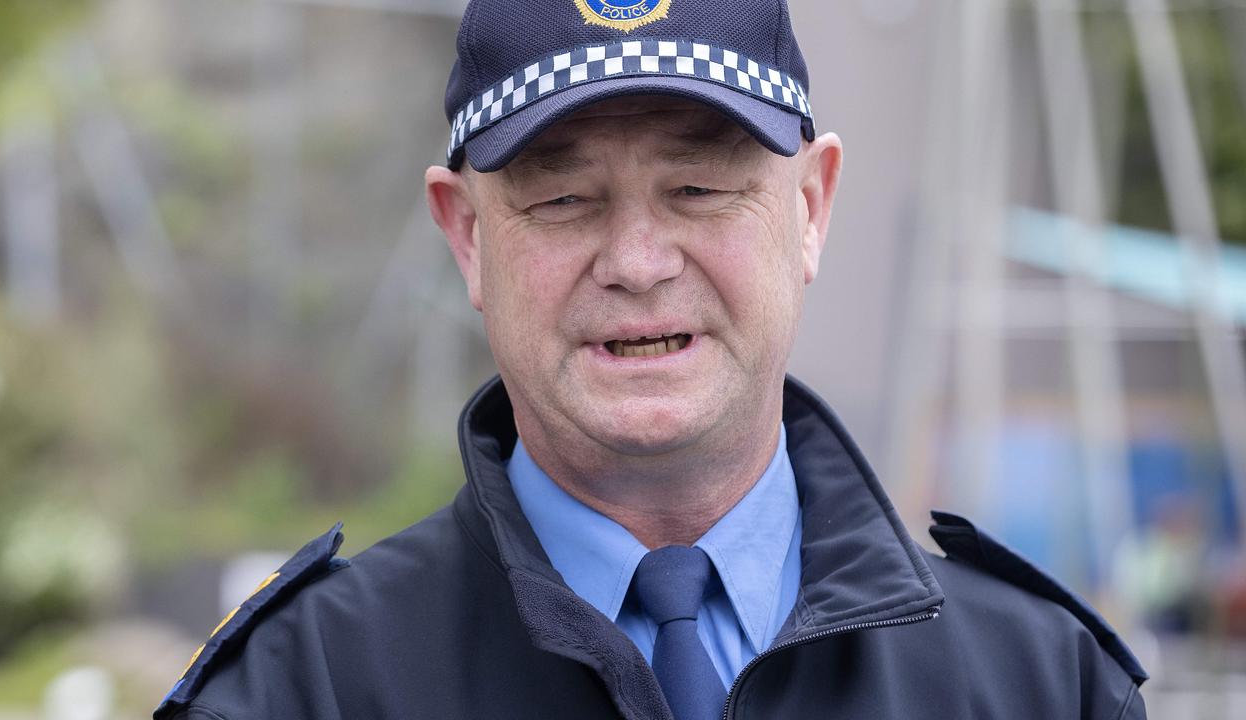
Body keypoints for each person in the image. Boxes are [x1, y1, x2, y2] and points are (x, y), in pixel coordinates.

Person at [154, 1, 1149, 718]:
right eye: (561, 199)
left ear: (808, 210)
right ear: (465, 238)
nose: (635, 264)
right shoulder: (306, 687)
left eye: (698, 188)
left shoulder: (1037, 684)